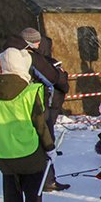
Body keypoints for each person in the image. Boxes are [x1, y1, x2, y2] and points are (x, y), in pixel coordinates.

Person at [0, 47, 54, 202]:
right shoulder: (31, 91)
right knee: (33, 197)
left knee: (11, 197)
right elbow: (40, 124)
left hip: (4, 152)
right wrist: (49, 148)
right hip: (31, 152)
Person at [8, 28, 70, 189]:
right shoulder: (31, 57)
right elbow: (52, 78)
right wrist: (62, 76)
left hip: (12, 104)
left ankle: (20, 178)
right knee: (44, 139)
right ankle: (47, 180)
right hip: (34, 101)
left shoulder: (7, 53)